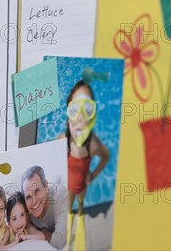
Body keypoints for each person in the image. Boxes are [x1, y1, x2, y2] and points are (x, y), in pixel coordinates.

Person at [65, 80, 110, 217]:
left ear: (93, 117)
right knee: (70, 199)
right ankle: (70, 213)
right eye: (75, 109)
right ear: (68, 117)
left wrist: (92, 175)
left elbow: (106, 157)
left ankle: (79, 212)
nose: (80, 117)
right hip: (69, 183)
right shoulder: (63, 141)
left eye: (88, 109)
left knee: (80, 200)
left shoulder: (93, 145)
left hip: (82, 184)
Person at [21, 166, 67, 250]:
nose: (34, 201)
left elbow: (59, 242)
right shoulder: (24, 210)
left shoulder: (60, 195)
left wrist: (45, 233)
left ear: (46, 186)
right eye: (28, 197)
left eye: (37, 191)